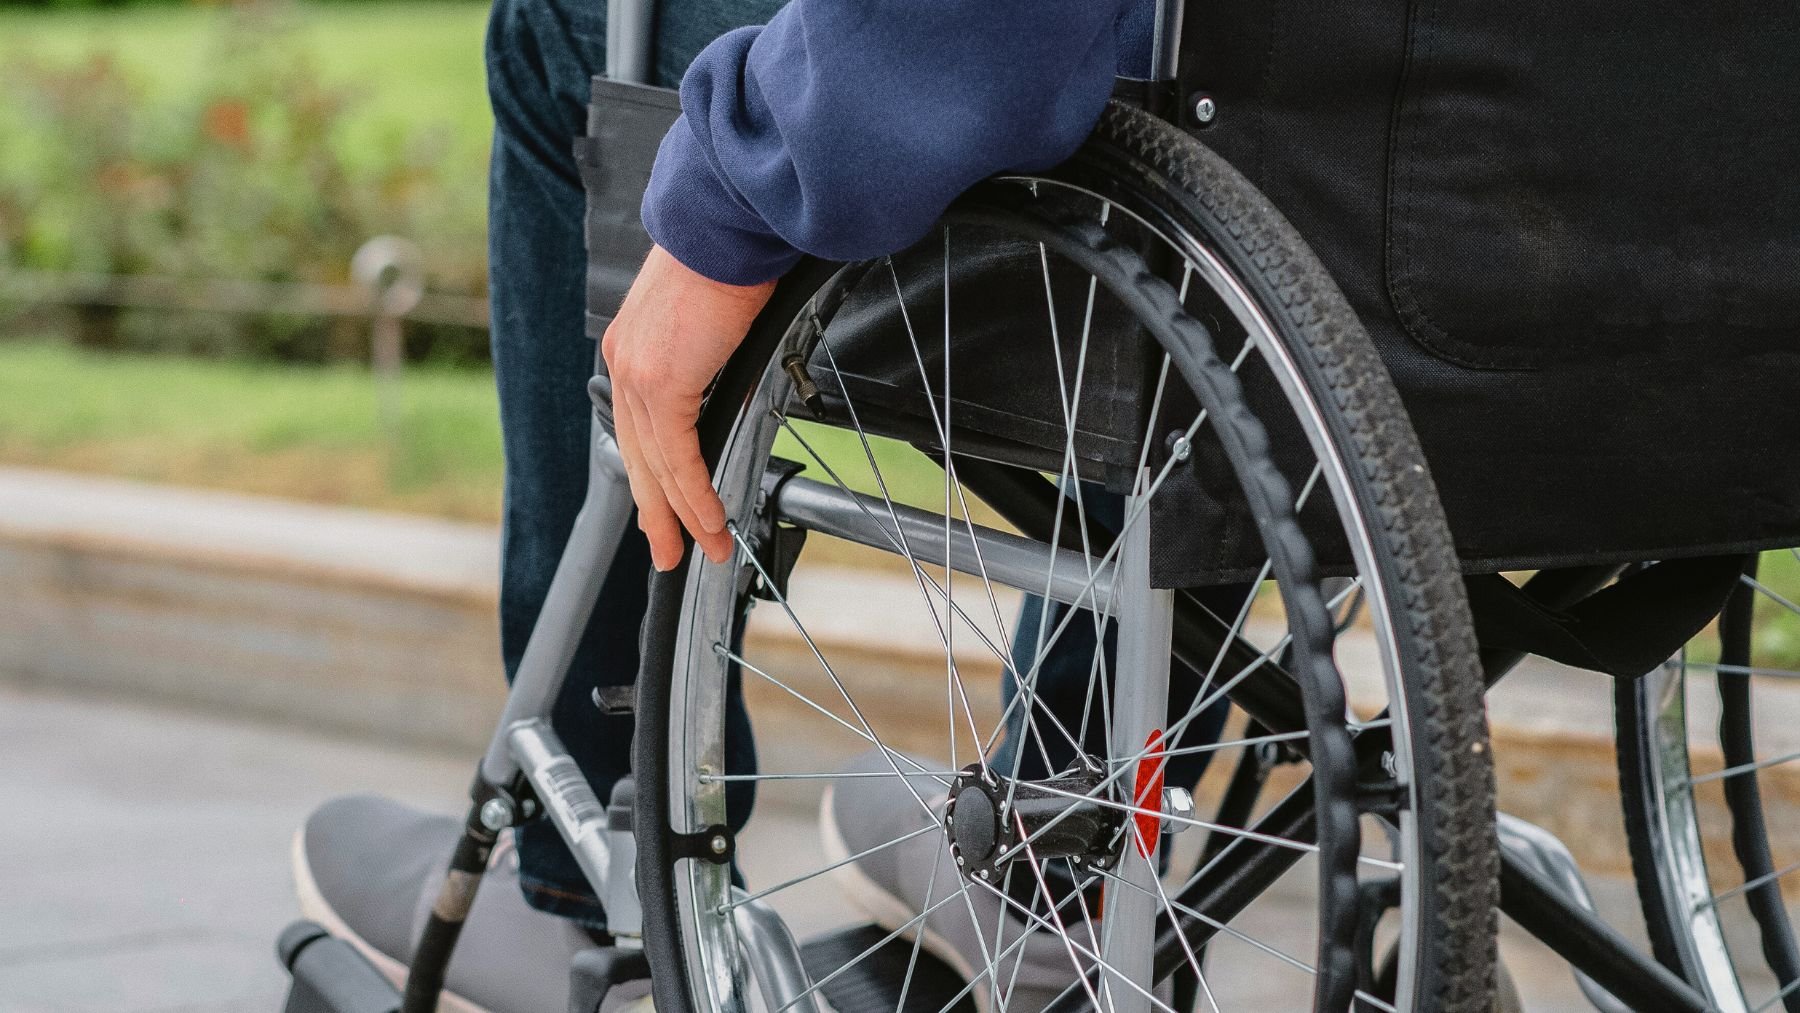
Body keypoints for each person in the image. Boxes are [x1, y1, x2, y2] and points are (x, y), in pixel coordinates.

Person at [290, 1, 1228, 1010]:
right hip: (1347, 181)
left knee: (555, 25)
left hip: (1054, 79)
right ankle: (1057, 856)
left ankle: (593, 888)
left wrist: (728, 194)